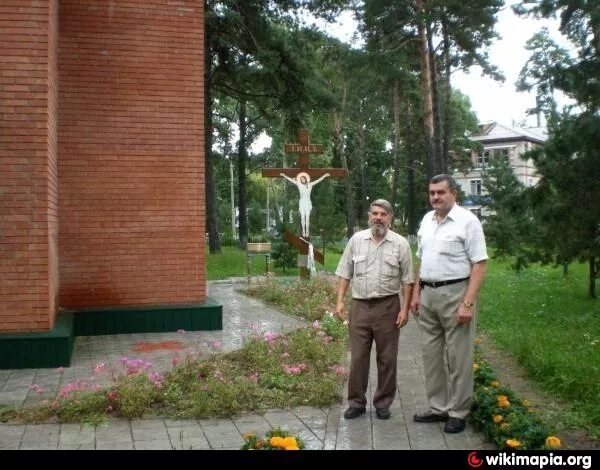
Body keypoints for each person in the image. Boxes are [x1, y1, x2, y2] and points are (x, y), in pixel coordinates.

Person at [410, 174, 488, 434]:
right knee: (431, 356)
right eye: (432, 192)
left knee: (458, 357)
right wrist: (416, 294)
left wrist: (468, 302)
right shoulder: (426, 221)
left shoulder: (468, 221)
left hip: (456, 294)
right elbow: (422, 260)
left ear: (453, 193)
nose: (435, 197)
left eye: (441, 192)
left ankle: (458, 411)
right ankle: (438, 408)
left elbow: (479, 264)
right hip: (428, 294)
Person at [335, 199, 414, 420]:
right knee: (358, 357)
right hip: (359, 306)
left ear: (390, 218)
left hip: (388, 307)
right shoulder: (356, 240)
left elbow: (408, 281)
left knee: (387, 357)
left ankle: (383, 403)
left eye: (383, 214)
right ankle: (356, 402)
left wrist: (405, 310)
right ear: (369, 216)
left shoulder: (400, 244)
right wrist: (340, 301)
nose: (378, 218)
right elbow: (344, 273)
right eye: (374, 213)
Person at [280, 171, 329, 238]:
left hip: (308, 203)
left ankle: (307, 231)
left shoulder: (310, 184)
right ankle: (303, 230)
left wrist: (324, 175)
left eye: (303, 179)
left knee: (307, 217)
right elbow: (291, 180)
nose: (302, 180)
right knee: (303, 217)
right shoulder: (299, 184)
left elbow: (318, 180)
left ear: (306, 179)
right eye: (301, 179)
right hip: (302, 203)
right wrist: (284, 175)